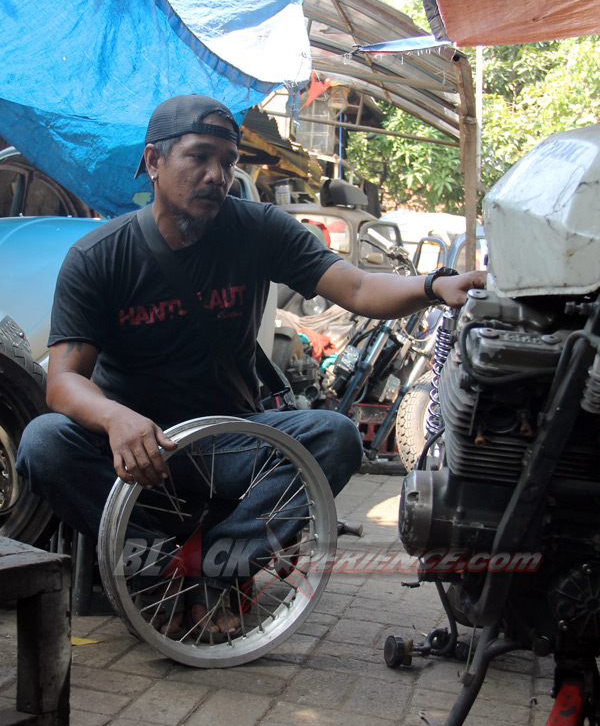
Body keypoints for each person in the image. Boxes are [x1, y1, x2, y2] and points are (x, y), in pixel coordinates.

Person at [16, 94, 486, 640]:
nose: (217, 175)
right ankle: (150, 563)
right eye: (199, 157)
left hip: (230, 441)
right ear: (153, 162)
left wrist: (434, 287)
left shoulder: (259, 228)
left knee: (335, 438)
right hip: (137, 448)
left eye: (227, 160)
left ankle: (214, 565)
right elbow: (64, 381)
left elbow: (356, 286)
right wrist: (116, 419)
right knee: (44, 443)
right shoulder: (99, 257)